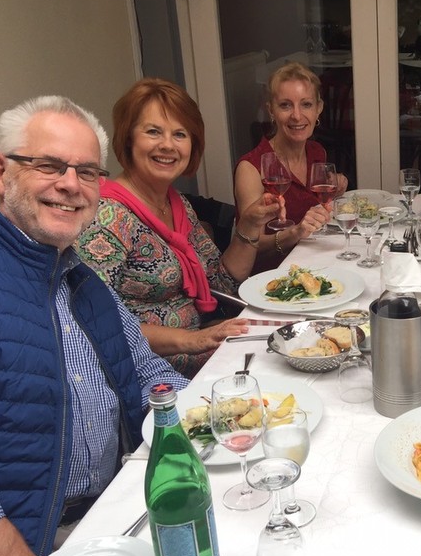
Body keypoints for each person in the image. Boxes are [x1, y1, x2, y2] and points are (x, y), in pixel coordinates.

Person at [0, 96, 187, 556]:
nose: (71, 185)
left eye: (88, 171)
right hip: (35, 540)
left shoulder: (82, 279)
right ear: (3, 172)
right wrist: (2, 551)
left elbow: (148, 375)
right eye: (48, 165)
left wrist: (232, 407)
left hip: (115, 510)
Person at [76, 78, 282, 377]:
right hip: (149, 370)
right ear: (128, 138)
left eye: (180, 134)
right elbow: (96, 322)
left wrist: (250, 223)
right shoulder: (106, 217)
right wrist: (193, 340)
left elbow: (221, 280)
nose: (168, 145)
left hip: (200, 346)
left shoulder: (176, 203)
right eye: (153, 131)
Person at [234, 62, 347, 274]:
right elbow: (250, 247)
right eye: (285, 105)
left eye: (306, 104)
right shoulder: (250, 168)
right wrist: (295, 233)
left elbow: (318, 208)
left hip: (315, 266)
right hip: (274, 279)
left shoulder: (317, 152)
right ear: (271, 111)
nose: (296, 116)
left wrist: (337, 187)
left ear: (318, 109)